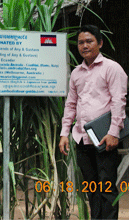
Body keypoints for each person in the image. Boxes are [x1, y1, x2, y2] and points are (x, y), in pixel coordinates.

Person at [59, 25, 127, 219]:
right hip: (82, 139)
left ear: (100, 43)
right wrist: (65, 133)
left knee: (107, 189)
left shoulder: (112, 69)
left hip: (105, 139)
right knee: (92, 189)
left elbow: (118, 101)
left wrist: (114, 132)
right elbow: (70, 105)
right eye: (81, 42)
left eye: (89, 41)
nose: (84, 46)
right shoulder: (76, 73)